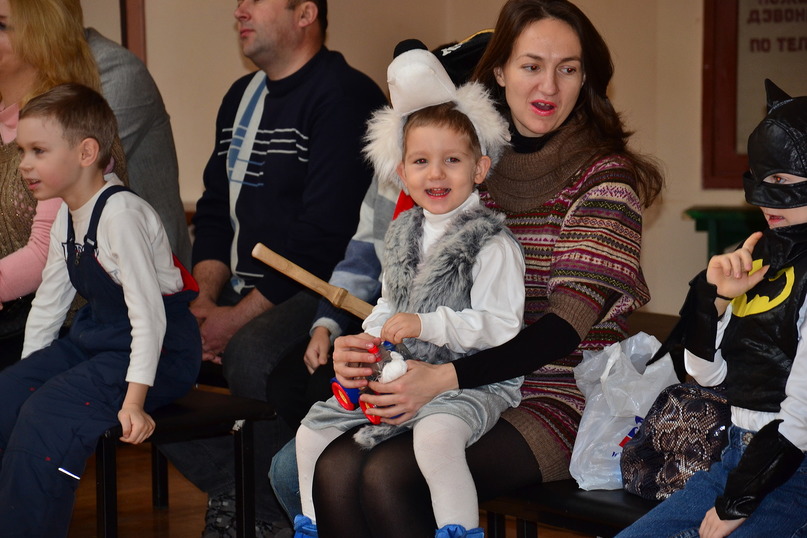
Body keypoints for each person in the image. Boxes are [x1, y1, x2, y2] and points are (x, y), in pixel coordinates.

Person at [303, 1, 664, 536]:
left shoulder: (605, 181)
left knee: (388, 477)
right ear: (499, 72)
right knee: (335, 466)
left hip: (559, 392)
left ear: (586, 78)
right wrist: (369, 348)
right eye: (531, 65)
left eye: (568, 69)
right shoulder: (465, 161)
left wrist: (439, 380)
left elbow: (562, 331)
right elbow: (417, 293)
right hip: (460, 376)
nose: (549, 86)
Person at [156, 1, 386, 536]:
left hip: (321, 288)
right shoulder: (242, 95)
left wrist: (234, 320)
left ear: (305, 13)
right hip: (242, 287)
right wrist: (203, 301)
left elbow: (323, 238)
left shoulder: (347, 96)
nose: (240, 8)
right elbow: (215, 211)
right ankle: (240, 491)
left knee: (251, 352)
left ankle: (267, 512)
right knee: (143, 343)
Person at [293, 44, 524, 538]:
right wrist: (370, 336)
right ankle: (310, 528)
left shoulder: (491, 242)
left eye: (452, 160)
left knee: (435, 438)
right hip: (400, 370)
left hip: (472, 379)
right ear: (402, 173)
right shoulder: (403, 232)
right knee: (312, 430)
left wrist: (428, 324)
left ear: (479, 168)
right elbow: (389, 303)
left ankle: (458, 532)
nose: (435, 173)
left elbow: (503, 327)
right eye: (421, 161)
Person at [0, 83, 200, 537]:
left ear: (86, 152)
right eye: (22, 151)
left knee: (49, 414)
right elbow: (49, 307)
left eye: (37, 151)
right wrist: (30, 374)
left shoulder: (121, 215)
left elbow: (150, 316)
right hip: (99, 340)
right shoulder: (65, 216)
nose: (24, 163)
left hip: (160, 352)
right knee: (9, 393)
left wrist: (135, 402)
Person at [617, 81, 807, 538]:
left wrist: (735, 505)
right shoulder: (763, 259)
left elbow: (801, 421)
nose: (762, 197)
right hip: (736, 459)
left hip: (793, 474)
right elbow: (708, 377)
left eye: (781, 180)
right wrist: (713, 300)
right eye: (758, 177)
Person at [0, 0, 127, 370]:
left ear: (41, 40)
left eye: (2, 25)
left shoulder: (69, 128)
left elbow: (46, 252)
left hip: (70, 330)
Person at [62, 0, 192, 267]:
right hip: (77, 261)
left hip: (146, 271)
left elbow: (65, 176)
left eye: (4, 25)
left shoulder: (114, 70)